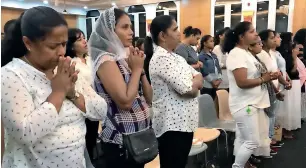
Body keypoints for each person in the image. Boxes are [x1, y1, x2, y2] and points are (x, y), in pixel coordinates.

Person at [1, 6, 107, 168]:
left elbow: (101, 110)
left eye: (64, 44)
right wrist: (58, 92)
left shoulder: (65, 68)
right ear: (28, 43)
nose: (61, 52)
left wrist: (73, 95)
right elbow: (25, 133)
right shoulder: (11, 75)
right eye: (52, 46)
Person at [89, 7, 152, 168]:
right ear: (109, 31)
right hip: (121, 140)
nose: (131, 32)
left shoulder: (122, 58)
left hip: (138, 135)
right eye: (124, 27)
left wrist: (140, 71)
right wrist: (137, 69)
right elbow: (124, 102)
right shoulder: (106, 61)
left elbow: (149, 97)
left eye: (130, 26)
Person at [145, 15, 203, 168]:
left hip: (185, 123)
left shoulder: (177, 58)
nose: (179, 33)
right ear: (163, 35)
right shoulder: (161, 58)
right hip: (172, 127)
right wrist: (194, 83)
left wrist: (195, 81)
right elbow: (188, 90)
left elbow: (198, 75)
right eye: (175, 29)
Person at [224, 21, 278, 168]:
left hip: (252, 101)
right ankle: (237, 166)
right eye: (252, 31)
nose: (256, 34)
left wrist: (268, 77)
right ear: (242, 36)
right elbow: (241, 82)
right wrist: (263, 79)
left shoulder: (246, 52)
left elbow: (256, 74)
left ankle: (240, 165)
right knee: (252, 141)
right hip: (245, 104)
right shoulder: (237, 54)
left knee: (243, 139)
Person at [65, 28, 99, 162]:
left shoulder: (91, 59)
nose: (84, 41)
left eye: (84, 38)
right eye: (79, 40)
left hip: (95, 103)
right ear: (71, 45)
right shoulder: (72, 63)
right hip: (81, 105)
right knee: (84, 140)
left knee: (92, 137)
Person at [276, 33, 301, 139]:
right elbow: (290, 70)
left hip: (288, 81)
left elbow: (283, 70)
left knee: (289, 107)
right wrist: (294, 58)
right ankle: (282, 130)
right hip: (282, 82)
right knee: (285, 107)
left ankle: (283, 130)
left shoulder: (279, 53)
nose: (279, 39)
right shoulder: (285, 54)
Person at [198, 35, 222, 100]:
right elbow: (204, 70)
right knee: (207, 103)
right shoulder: (201, 56)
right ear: (204, 43)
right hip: (207, 84)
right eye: (211, 41)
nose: (213, 43)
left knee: (214, 102)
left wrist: (219, 79)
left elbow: (218, 67)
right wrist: (212, 81)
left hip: (216, 83)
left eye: (213, 41)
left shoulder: (213, 55)